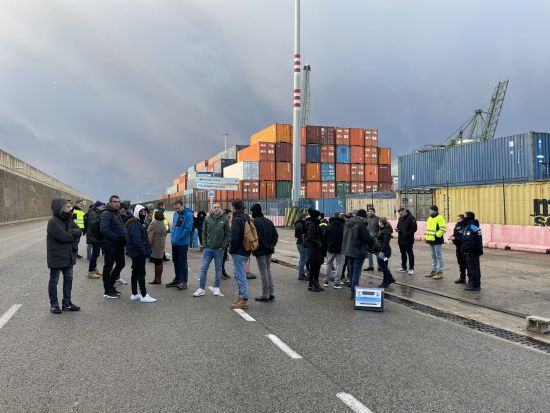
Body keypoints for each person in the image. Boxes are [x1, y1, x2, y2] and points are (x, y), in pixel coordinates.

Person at [47, 198, 82, 314]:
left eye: (70, 206)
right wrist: (71, 233)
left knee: (68, 279)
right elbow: (64, 237)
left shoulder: (69, 219)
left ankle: (67, 303)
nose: (70, 208)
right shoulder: (53, 221)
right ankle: (54, 304)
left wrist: (69, 231)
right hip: (56, 256)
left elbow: (80, 231)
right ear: (60, 208)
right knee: (54, 280)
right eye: (67, 207)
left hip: (68, 255)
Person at [193, 203, 231, 297]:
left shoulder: (225, 219)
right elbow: (204, 232)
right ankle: (201, 289)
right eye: (214, 207)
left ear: (220, 209)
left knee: (218, 269)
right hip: (208, 249)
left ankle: (216, 288)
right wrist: (204, 245)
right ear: (212, 209)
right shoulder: (207, 218)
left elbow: (228, 234)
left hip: (219, 249)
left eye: (218, 207)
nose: (216, 209)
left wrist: (223, 246)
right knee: (203, 269)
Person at [125, 205, 156, 303]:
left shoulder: (136, 223)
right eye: (142, 212)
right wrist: (145, 251)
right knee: (141, 273)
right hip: (138, 253)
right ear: (137, 213)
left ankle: (134, 294)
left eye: (144, 212)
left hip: (135, 252)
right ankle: (144, 294)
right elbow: (137, 241)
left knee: (135, 272)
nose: (144, 213)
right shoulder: (135, 224)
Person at [342, 209, 373, 298]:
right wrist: (372, 240)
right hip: (358, 251)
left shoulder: (347, 223)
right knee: (356, 272)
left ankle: (352, 288)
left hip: (348, 250)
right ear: (363, 217)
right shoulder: (360, 224)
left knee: (351, 271)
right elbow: (367, 238)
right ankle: (354, 291)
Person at [100, 195, 127, 298]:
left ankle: (111, 285)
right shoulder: (106, 213)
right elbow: (104, 230)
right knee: (108, 266)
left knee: (121, 263)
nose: (117, 203)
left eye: (118, 202)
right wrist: (117, 237)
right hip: (110, 244)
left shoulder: (117, 213)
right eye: (115, 202)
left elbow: (121, 227)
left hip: (119, 244)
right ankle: (107, 290)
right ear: (110, 203)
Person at [250, 203, 278, 302]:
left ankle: (265, 295)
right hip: (269, 250)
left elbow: (256, 236)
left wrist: (264, 245)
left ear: (254, 212)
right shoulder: (269, 221)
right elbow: (275, 235)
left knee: (263, 272)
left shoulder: (254, 222)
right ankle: (271, 293)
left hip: (260, 250)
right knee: (268, 270)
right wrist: (271, 245)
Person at [229, 200, 251, 309]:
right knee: (237, 274)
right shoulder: (246, 217)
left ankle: (244, 299)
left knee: (240, 275)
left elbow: (235, 237)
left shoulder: (237, 219)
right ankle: (241, 295)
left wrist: (231, 249)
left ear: (233, 207)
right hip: (246, 250)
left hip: (239, 251)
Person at [167, 200, 193, 290]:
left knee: (182, 262)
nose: (177, 210)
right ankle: (177, 279)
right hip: (175, 243)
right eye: (175, 208)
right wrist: (173, 238)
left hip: (182, 243)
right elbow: (174, 227)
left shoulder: (188, 214)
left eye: (178, 208)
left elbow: (188, 229)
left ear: (182, 205)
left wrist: (180, 237)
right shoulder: (176, 214)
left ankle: (184, 281)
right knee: (176, 261)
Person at [461, 211, 483, 291]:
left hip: (471, 252)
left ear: (468, 217)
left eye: (465, 216)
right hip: (475, 251)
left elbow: (469, 241)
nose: (463, 218)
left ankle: (474, 285)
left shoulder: (470, 227)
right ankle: (475, 283)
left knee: (473, 269)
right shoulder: (474, 226)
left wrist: (465, 250)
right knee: (476, 268)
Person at [323, 213, 345, 289]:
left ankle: (326, 281)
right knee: (339, 265)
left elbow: (324, 239)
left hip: (330, 248)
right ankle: (337, 283)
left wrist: (325, 248)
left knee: (329, 264)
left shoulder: (329, 227)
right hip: (341, 249)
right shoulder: (343, 227)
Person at [425, 205, 447, 280]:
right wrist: (427, 237)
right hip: (430, 240)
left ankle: (440, 272)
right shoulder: (429, 218)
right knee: (433, 256)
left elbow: (443, 229)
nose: (429, 212)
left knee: (438, 256)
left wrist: (436, 235)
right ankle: (434, 271)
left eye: (430, 210)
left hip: (437, 240)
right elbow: (428, 229)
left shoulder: (440, 218)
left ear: (435, 211)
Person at [305, 208, 324, 292]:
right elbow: (310, 238)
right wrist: (318, 243)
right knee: (313, 268)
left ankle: (316, 283)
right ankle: (310, 285)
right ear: (316, 216)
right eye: (319, 216)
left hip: (317, 250)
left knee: (317, 267)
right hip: (313, 250)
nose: (320, 217)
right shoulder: (312, 225)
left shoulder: (316, 224)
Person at [84, 201, 105, 279]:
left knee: (95, 254)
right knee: (95, 254)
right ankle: (90, 271)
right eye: (102, 207)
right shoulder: (93, 214)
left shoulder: (96, 212)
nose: (103, 208)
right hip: (95, 237)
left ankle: (94, 269)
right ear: (98, 207)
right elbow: (95, 226)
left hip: (96, 237)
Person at [395, 207, 417, 276]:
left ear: (404, 212)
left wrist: (407, 234)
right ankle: (404, 267)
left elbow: (414, 229)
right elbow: (398, 226)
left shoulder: (411, 218)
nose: (400, 215)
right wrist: (397, 229)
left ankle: (411, 269)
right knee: (403, 254)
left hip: (408, 240)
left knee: (410, 254)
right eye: (399, 214)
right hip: (401, 239)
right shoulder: (400, 218)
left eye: (401, 214)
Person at [147, 210, 167, 284]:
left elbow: (148, 231)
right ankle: (158, 278)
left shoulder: (154, 223)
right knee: (159, 261)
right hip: (161, 243)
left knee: (157, 262)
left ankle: (157, 279)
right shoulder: (163, 223)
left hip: (155, 244)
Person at [377, 217, 396, 288]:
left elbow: (385, 242)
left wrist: (382, 251)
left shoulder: (385, 231)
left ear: (381, 223)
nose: (378, 223)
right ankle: (390, 278)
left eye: (379, 222)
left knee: (383, 267)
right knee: (384, 266)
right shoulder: (382, 229)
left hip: (385, 252)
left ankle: (386, 282)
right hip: (382, 251)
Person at [451, 214, 468, 284]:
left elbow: (464, 237)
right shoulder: (456, 225)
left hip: (464, 247)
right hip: (458, 247)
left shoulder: (465, 226)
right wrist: (452, 238)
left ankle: (470, 279)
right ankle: (462, 278)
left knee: (466, 263)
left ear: (462, 219)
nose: (457, 221)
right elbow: (455, 234)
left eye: (459, 219)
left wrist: (456, 238)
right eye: (457, 219)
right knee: (460, 263)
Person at [294, 213, 309, 281]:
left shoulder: (299, 223)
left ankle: (302, 274)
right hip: (302, 243)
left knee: (303, 259)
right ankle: (301, 275)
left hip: (300, 243)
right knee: (303, 259)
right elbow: (302, 233)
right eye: (306, 218)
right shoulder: (301, 224)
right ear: (304, 218)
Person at [221, 208, 232, 279]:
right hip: (221, 243)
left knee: (224, 258)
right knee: (221, 258)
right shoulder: (224, 220)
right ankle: (221, 273)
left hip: (226, 242)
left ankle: (223, 272)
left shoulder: (228, 220)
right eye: (230, 214)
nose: (231, 215)